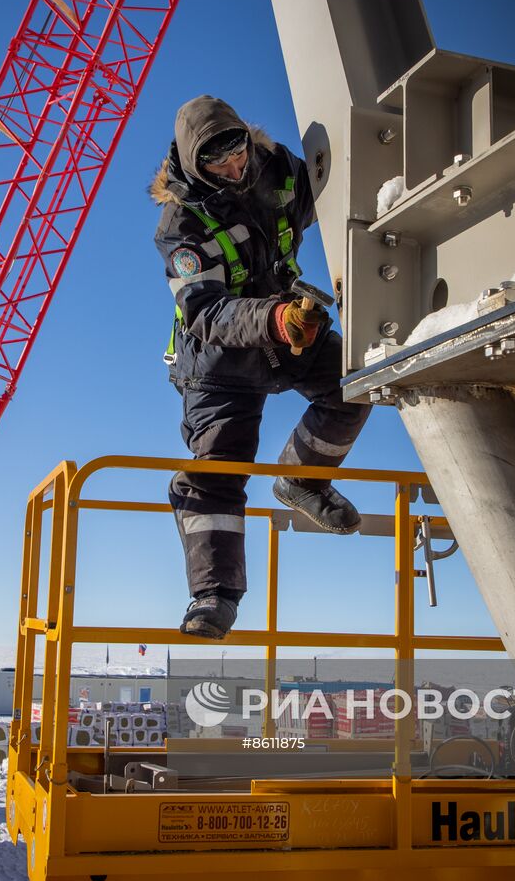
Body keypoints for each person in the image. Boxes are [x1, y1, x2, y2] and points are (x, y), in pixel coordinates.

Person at [150, 95, 370, 640]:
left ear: (246, 137)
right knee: (221, 467)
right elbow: (203, 311)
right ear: (193, 163)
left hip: (284, 329)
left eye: (237, 152)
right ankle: (214, 598)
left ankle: (301, 480)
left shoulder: (280, 170)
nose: (234, 168)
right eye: (216, 163)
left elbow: (333, 197)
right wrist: (275, 318)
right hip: (218, 360)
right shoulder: (180, 225)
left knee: (356, 380)